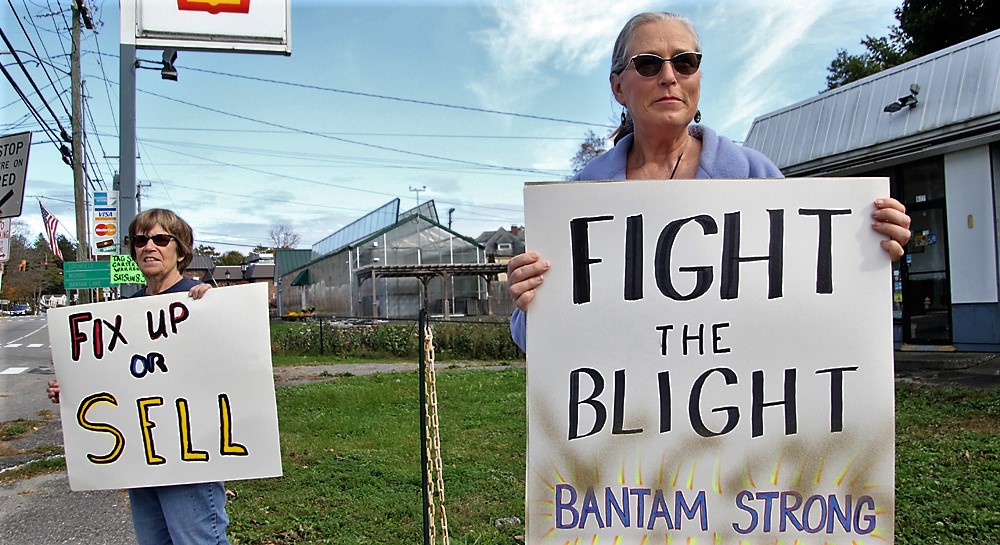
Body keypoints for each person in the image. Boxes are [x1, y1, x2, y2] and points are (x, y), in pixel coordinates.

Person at [507, 12, 912, 351]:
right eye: (649, 63)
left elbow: (815, 301)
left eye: (684, 62)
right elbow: (533, 342)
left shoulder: (758, 177)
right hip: (629, 427)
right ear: (618, 87)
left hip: (736, 425)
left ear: (698, 78)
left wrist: (866, 254)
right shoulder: (578, 199)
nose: (669, 76)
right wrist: (531, 302)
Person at [46, 208, 229, 545]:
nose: (149, 247)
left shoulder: (201, 300)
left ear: (181, 249)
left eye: (161, 239)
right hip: (143, 456)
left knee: (197, 540)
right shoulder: (128, 310)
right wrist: (72, 387)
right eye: (141, 240)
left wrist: (214, 303)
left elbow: (235, 365)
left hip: (191, 454)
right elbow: (116, 375)